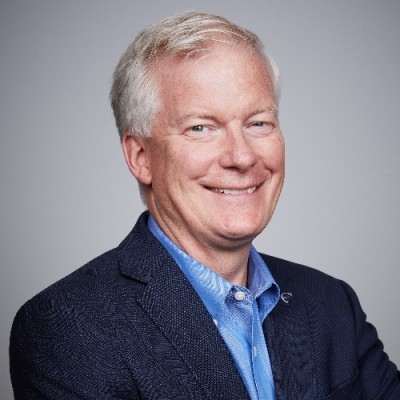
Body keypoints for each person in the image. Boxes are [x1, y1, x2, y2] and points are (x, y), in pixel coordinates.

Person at [9, 11, 400, 400]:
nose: (242, 157)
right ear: (141, 156)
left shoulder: (331, 303)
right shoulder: (68, 327)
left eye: (258, 123)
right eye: (201, 127)